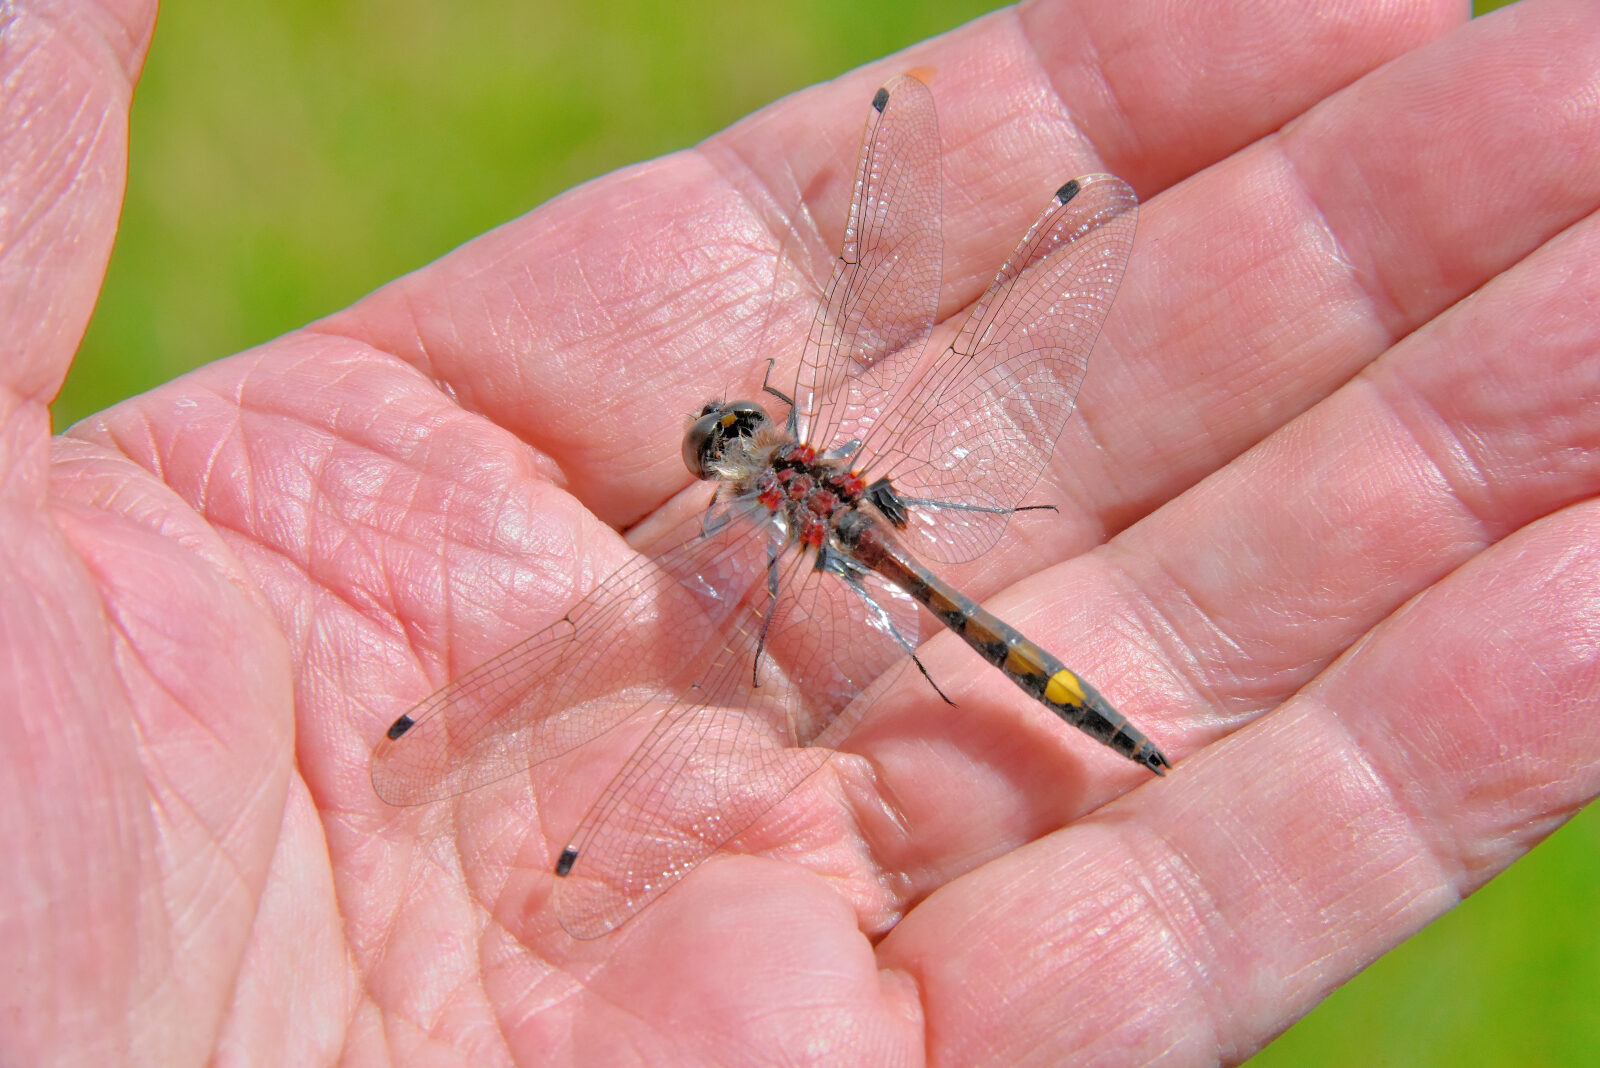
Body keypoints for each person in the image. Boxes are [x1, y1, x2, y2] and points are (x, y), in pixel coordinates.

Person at [4, 0, 1596, 1062]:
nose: (730, 446)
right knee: (959, 612)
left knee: (953, 617)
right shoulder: (806, 484)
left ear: (754, 462)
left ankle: (1080, 712)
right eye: (737, 447)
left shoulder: (754, 527)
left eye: (734, 440)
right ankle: (1076, 707)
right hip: (915, 569)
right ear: (774, 463)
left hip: (908, 580)